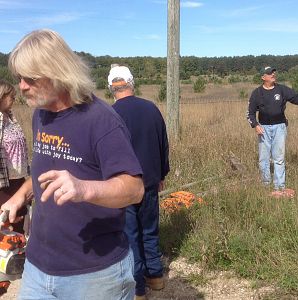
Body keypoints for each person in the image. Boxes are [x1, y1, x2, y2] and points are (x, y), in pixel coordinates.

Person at [1, 29, 144, 300]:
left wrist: (83, 189)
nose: (21, 86)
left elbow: (134, 189)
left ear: (58, 72)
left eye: (30, 79)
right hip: (37, 267)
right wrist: (19, 197)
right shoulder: (41, 115)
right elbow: (44, 172)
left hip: (94, 274)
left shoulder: (101, 120)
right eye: (19, 78)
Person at [109, 65, 170, 300]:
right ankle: (155, 277)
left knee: (130, 235)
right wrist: (162, 174)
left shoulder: (110, 114)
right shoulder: (151, 109)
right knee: (150, 230)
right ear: (131, 83)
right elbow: (162, 144)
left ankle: (138, 289)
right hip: (150, 182)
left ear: (112, 87)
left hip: (123, 186)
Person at [247, 66, 298, 197]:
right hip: (263, 128)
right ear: (263, 77)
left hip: (280, 127)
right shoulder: (257, 93)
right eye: (270, 73)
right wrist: (255, 125)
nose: (273, 74)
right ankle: (265, 184)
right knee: (263, 159)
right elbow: (250, 113)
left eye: (273, 72)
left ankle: (279, 186)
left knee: (279, 158)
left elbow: (296, 98)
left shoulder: (281, 89)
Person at [0, 80, 30, 233]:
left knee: (20, 219)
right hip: (4, 182)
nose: (13, 99)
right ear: (1, 96)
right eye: (11, 96)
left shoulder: (11, 118)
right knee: (7, 222)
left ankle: (18, 253)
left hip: (18, 177)